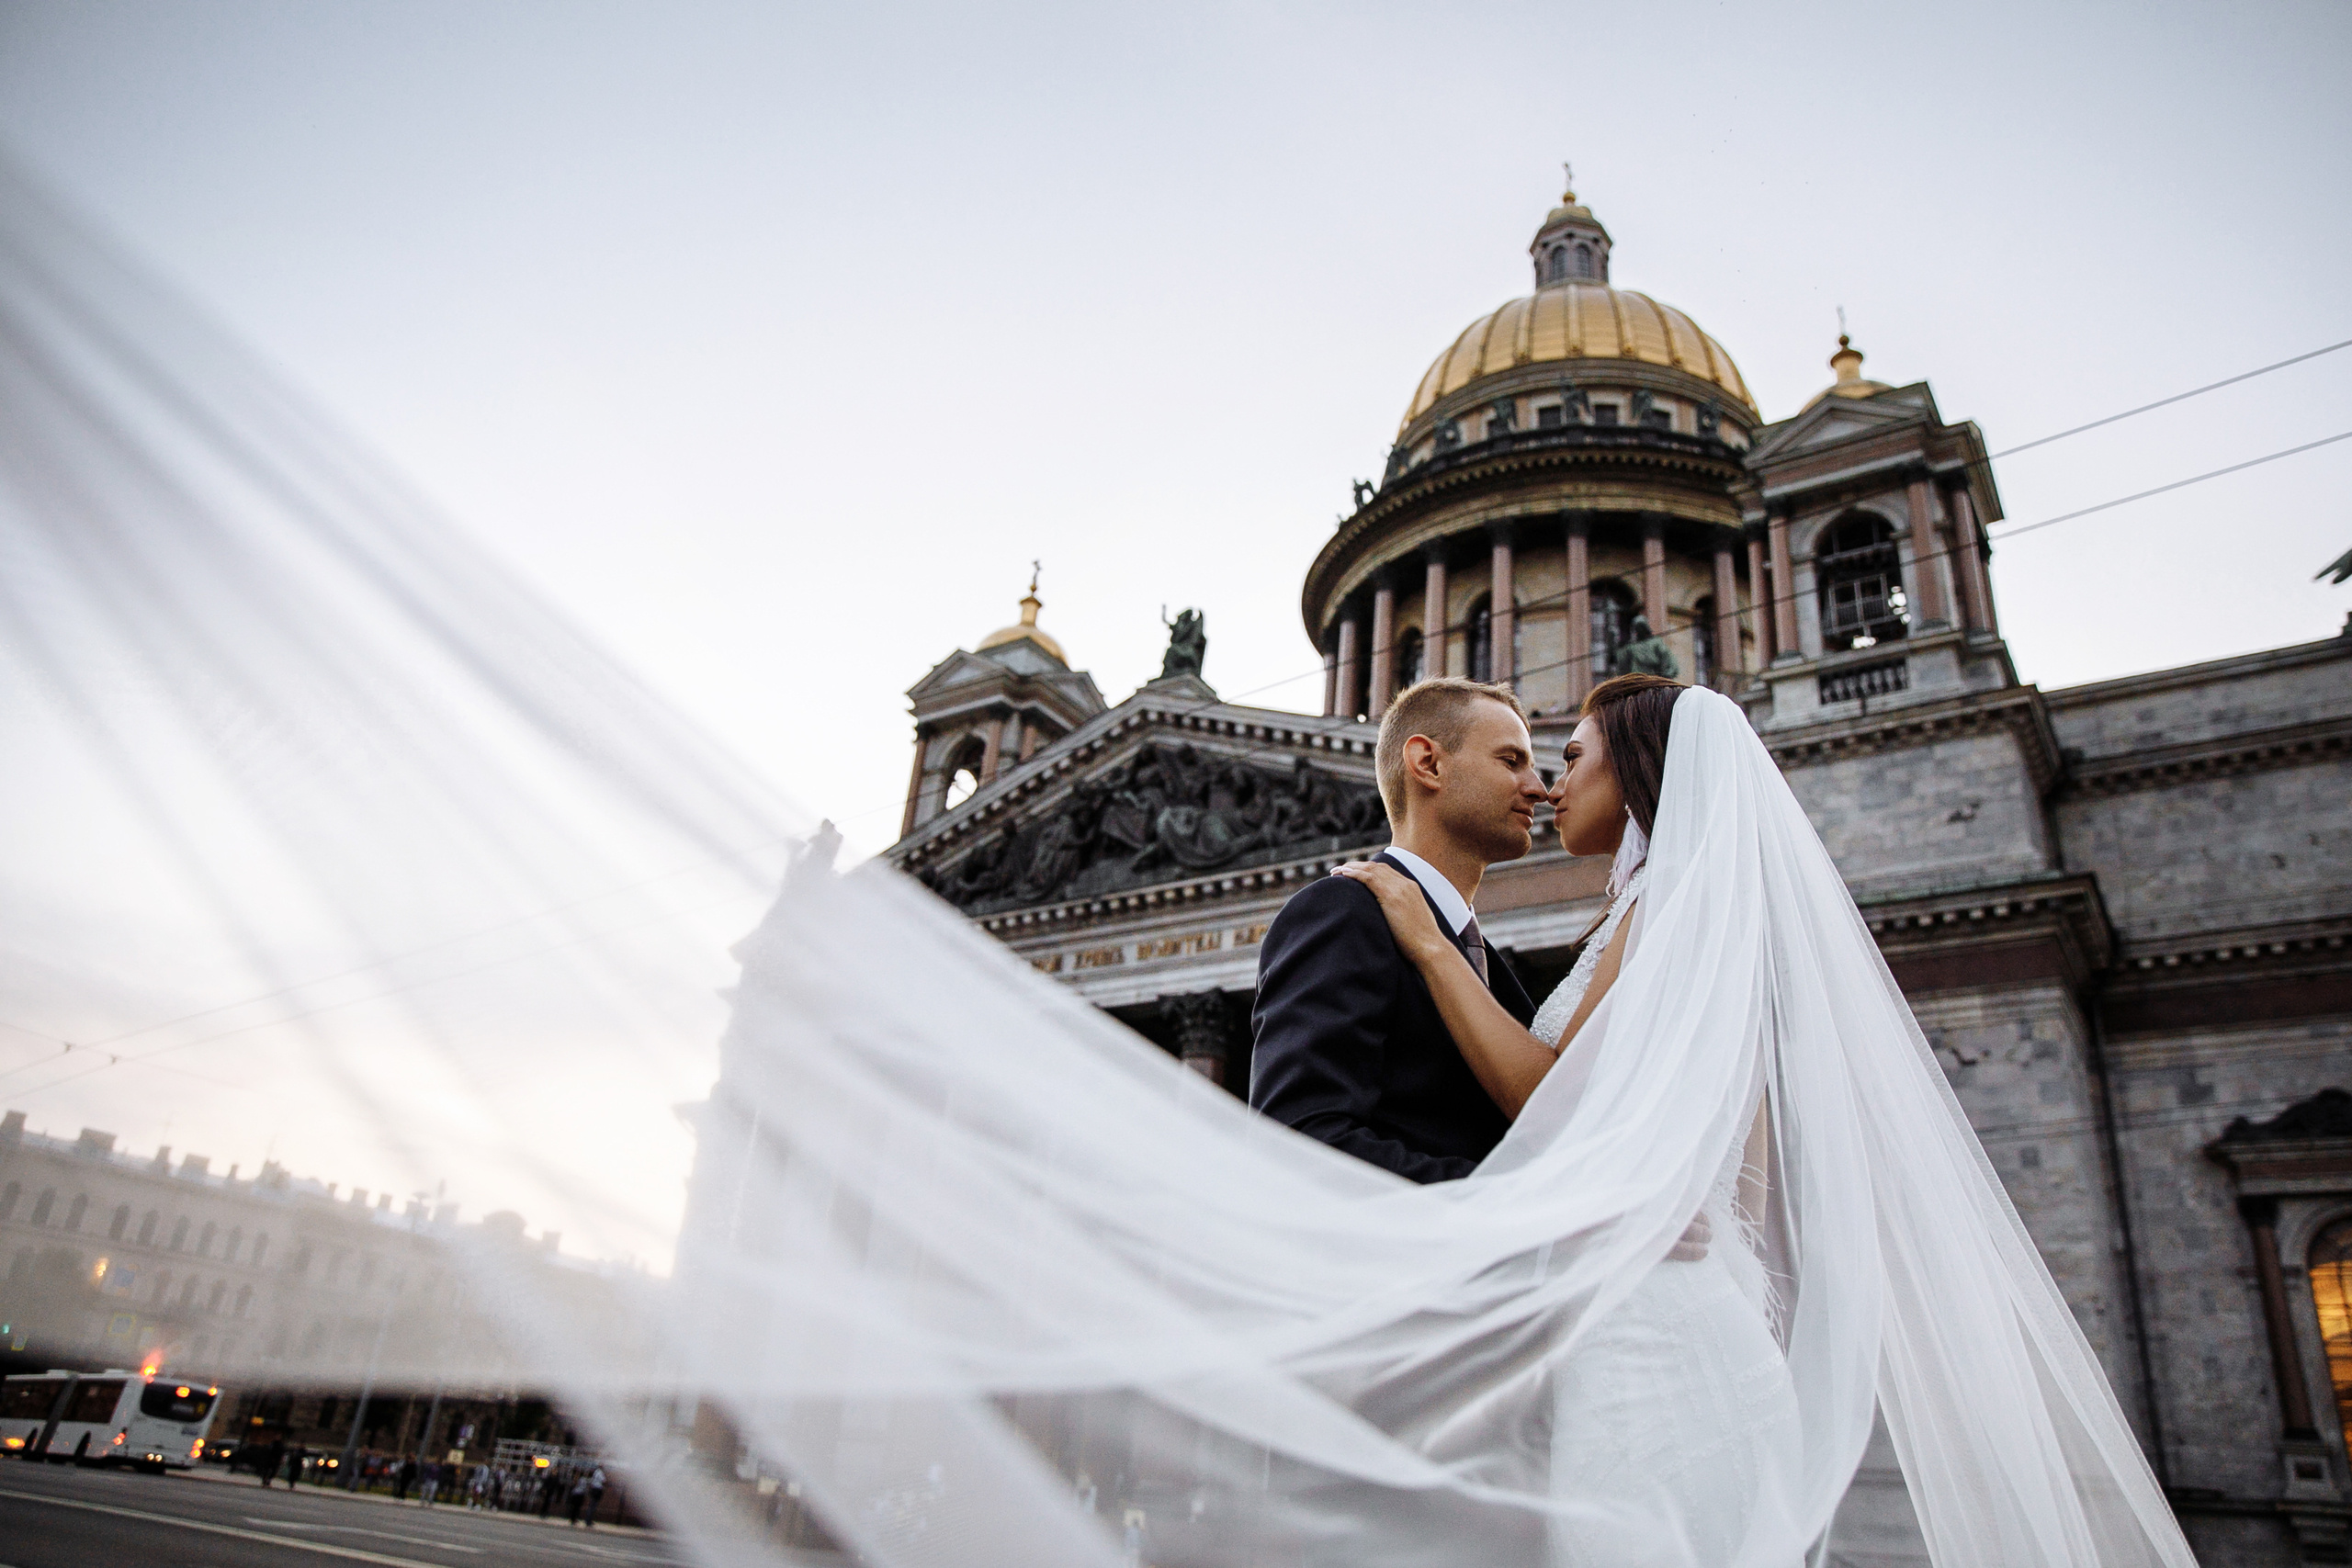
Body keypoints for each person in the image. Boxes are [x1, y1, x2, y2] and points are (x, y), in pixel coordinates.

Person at [1248, 678, 1545, 1182]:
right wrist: (1518, 1204)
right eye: (1511, 761)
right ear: (1428, 763)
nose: (1540, 787)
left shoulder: (1478, 956)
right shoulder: (1345, 911)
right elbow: (1299, 1140)